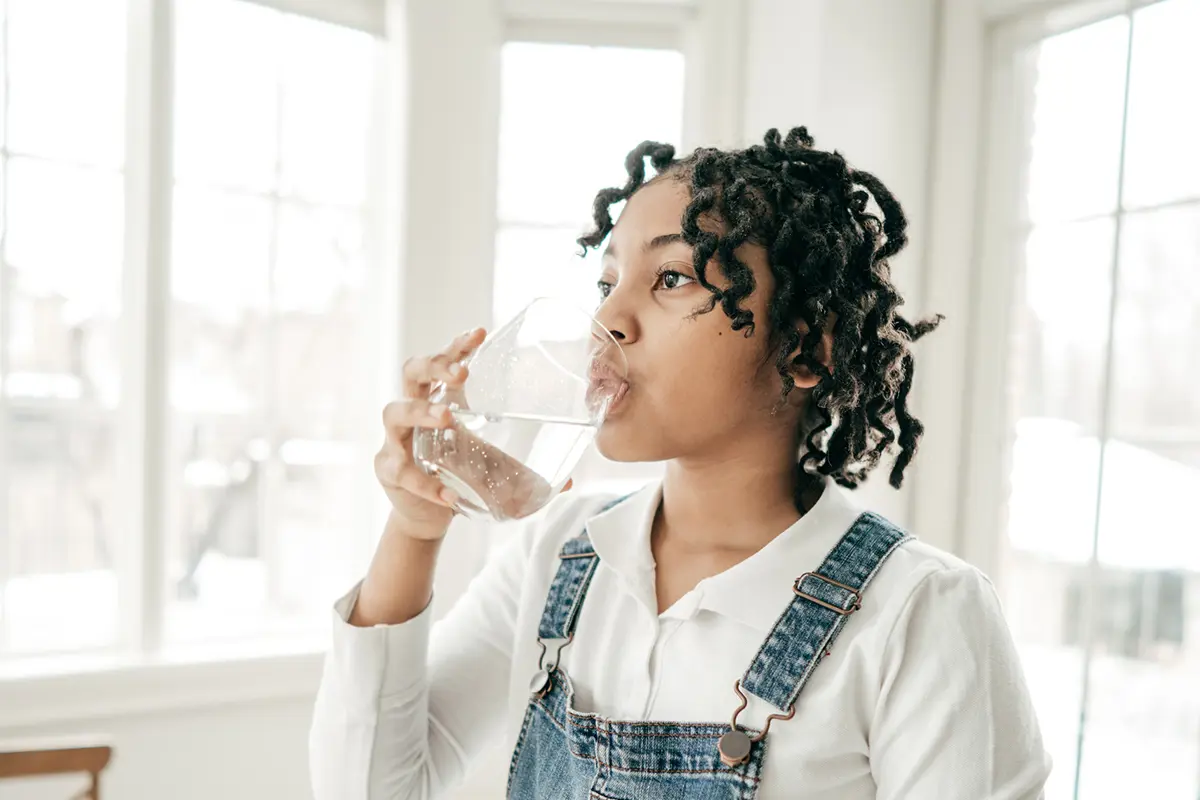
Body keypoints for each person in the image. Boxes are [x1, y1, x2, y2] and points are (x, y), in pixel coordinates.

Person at [308, 127, 1051, 799]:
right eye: (607, 284)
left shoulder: (923, 612)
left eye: (671, 279)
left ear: (804, 348)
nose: (610, 321)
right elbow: (369, 789)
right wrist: (414, 524)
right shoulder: (559, 550)